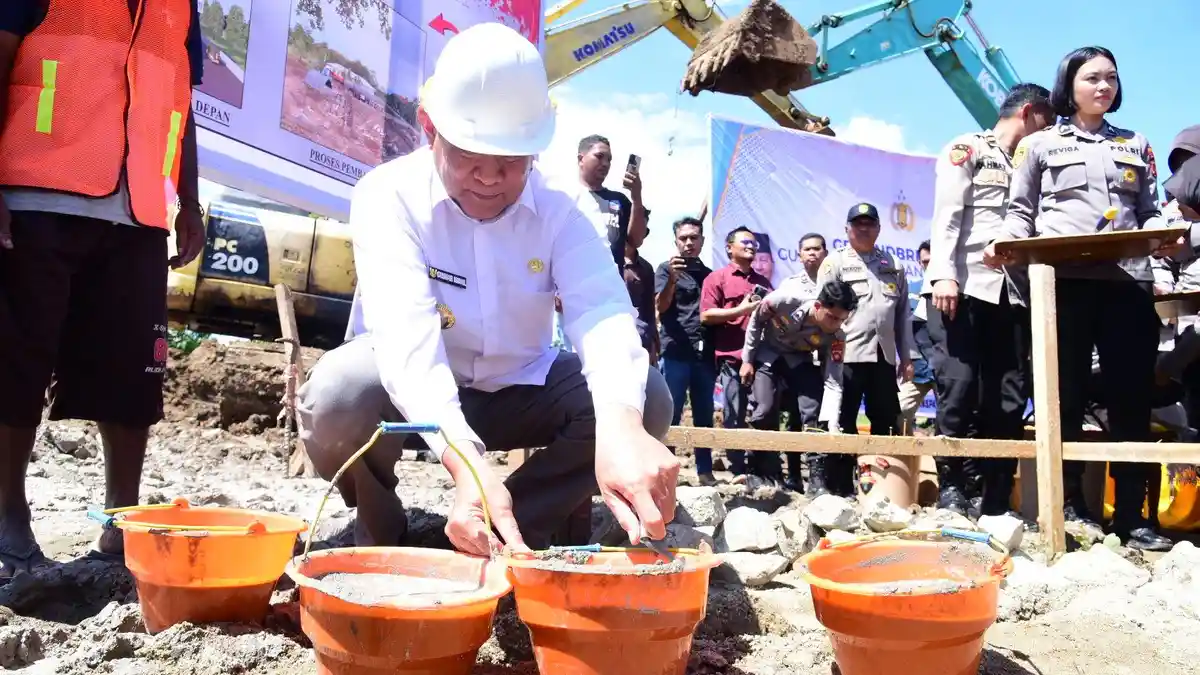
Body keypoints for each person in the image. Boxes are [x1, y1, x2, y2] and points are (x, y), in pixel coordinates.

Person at [296, 23, 676, 557]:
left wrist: (621, 427)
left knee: (645, 401)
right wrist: (468, 465)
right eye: (471, 155)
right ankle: (382, 529)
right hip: (410, 398)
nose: (490, 178)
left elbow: (603, 315)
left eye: (510, 161)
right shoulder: (388, 196)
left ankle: (512, 525)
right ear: (429, 128)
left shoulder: (565, 209)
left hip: (521, 387)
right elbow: (408, 348)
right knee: (339, 396)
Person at [0, 0, 206, 577]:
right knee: (17, 362)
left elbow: (179, 100)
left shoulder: (181, 7)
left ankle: (121, 522)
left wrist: (187, 199)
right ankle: (8, 516)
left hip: (137, 209)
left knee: (132, 371)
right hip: (36, 191)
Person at [984, 46, 1177, 551]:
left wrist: (1166, 232)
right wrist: (1003, 246)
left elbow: (1150, 210)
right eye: (1091, 78)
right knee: (1063, 398)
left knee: (1130, 400)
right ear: (1068, 85)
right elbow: (1019, 212)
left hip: (1127, 284)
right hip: (1061, 286)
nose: (1103, 86)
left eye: (1111, 78)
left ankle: (1133, 517)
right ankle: (1069, 509)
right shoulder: (1041, 145)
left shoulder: (1138, 143)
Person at [926, 83, 1055, 517]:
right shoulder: (968, 148)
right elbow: (947, 215)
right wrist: (944, 273)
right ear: (1032, 112)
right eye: (1048, 121)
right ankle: (952, 486)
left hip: (1014, 293)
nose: (1050, 130)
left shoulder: (1033, 162)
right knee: (958, 387)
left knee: (1008, 396)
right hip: (962, 287)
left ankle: (997, 493)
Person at [817, 203, 916, 497]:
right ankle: (837, 487)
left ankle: (882, 487)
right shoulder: (834, 263)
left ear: (878, 229)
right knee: (841, 420)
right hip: (844, 354)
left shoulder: (893, 265)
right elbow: (822, 309)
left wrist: (906, 356)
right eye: (858, 224)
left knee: (884, 420)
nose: (864, 229)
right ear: (847, 229)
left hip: (883, 356)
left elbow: (902, 316)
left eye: (870, 224)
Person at [740, 280, 858, 493]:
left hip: (799, 360)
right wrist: (747, 360)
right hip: (769, 354)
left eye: (841, 319)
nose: (834, 324)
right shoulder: (783, 300)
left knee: (814, 408)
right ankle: (762, 472)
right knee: (764, 409)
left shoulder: (838, 336)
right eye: (831, 317)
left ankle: (816, 478)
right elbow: (756, 321)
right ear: (818, 306)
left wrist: (831, 421)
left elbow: (833, 381)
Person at [701, 226, 772, 479]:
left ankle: (760, 468)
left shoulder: (763, 283)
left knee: (764, 411)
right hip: (731, 358)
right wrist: (740, 311)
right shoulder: (717, 278)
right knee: (733, 413)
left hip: (761, 359)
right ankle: (737, 469)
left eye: (754, 243)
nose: (752, 246)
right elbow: (707, 315)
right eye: (745, 242)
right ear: (729, 247)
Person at [657, 217, 717, 485]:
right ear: (675, 242)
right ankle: (666, 471)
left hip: (704, 355)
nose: (689, 243)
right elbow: (659, 306)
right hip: (675, 352)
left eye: (694, 237)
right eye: (684, 238)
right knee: (670, 412)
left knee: (704, 413)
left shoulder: (711, 276)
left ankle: (705, 471)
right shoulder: (664, 270)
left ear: (702, 241)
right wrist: (671, 279)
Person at [576, 135, 649, 268]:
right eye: (599, 156)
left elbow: (636, 241)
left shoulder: (619, 200)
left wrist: (637, 197)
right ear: (581, 159)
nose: (605, 164)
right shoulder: (566, 197)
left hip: (611, 284)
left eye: (609, 159)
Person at [898, 240, 936, 438]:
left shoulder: (954, 290)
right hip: (917, 368)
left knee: (952, 420)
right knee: (898, 413)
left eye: (932, 261)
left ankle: (945, 466)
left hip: (946, 369)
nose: (927, 266)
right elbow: (902, 328)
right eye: (924, 262)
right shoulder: (910, 289)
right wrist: (905, 360)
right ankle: (905, 466)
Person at [622, 227, 659, 364]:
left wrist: (653, 344)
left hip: (641, 342)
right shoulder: (605, 262)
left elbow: (650, 310)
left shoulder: (646, 268)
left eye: (645, 230)